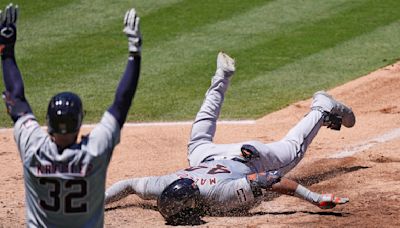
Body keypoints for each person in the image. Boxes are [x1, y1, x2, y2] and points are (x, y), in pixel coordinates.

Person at [105, 52, 354, 224]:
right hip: (208, 156)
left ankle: (321, 108)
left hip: (250, 157)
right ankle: (221, 77)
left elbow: (268, 179)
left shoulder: (220, 197)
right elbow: (129, 185)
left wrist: (316, 198)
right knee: (197, 140)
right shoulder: (166, 184)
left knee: (292, 149)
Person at [1, 3, 142, 227]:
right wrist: (135, 52)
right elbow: (121, 103)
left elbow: (16, 98)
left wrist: (6, 49)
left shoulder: (33, 146)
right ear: (79, 123)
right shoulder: (94, 151)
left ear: (47, 123)